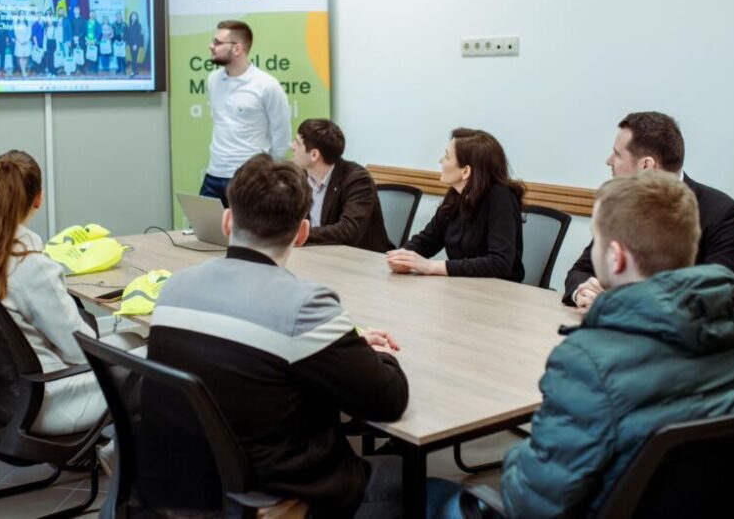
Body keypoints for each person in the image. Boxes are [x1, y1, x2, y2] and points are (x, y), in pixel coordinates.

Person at [489, 171, 734, 517]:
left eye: (596, 240)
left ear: (616, 257)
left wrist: (516, 456)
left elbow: (529, 504)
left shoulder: (589, 360)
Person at [147, 154, 409, 517]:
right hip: (273, 501)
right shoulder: (306, 306)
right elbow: (389, 400)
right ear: (302, 234)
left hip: (184, 488)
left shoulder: (174, 287)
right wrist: (380, 356)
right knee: (413, 478)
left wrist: (338, 346)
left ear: (227, 221)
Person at [0, 150, 143, 436]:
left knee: (134, 339)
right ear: (38, 198)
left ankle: (119, 447)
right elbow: (80, 352)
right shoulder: (32, 267)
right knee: (157, 359)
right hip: (46, 401)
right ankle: (120, 454)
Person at [564, 111, 734, 310]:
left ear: (646, 165)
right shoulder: (620, 204)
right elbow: (581, 271)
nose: (609, 161)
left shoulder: (720, 212)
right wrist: (584, 293)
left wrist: (626, 304)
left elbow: (721, 297)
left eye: (617, 154)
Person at [386, 128, 525, 280]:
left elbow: (499, 263)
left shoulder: (502, 197)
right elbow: (428, 240)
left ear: (465, 171)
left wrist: (432, 267)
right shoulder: (456, 195)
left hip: (499, 290)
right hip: (461, 286)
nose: (441, 161)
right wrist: (402, 257)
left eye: (447, 156)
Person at [200, 20, 291, 206]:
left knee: (249, 226)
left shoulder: (267, 85)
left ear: (237, 49)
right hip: (214, 173)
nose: (211, 46)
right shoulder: (213, 80)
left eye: (217, 42)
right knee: (204, 224)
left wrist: (268, 174)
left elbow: (281, 134)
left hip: (250, 178)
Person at [291, 118, 393, 253]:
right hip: (316, 253)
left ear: (314, 154)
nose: (292, 146)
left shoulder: (357, 180)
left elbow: (348, 230)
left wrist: (296, 234)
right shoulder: (300, 176)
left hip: (359, 258)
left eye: (298, 143)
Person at [127, 11, 143, 76]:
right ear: (131, 17)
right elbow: (129, 34)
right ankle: (135, 71)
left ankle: (133, 72)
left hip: (135, 44)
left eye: (135, 16)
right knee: (134, 57)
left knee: (134, 58)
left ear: (136, 17)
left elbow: (138, 35)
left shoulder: (138, 25)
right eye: (132, 15)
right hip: (131, 43)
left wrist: (135, 44)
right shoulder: (130, 24)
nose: (133, 17)